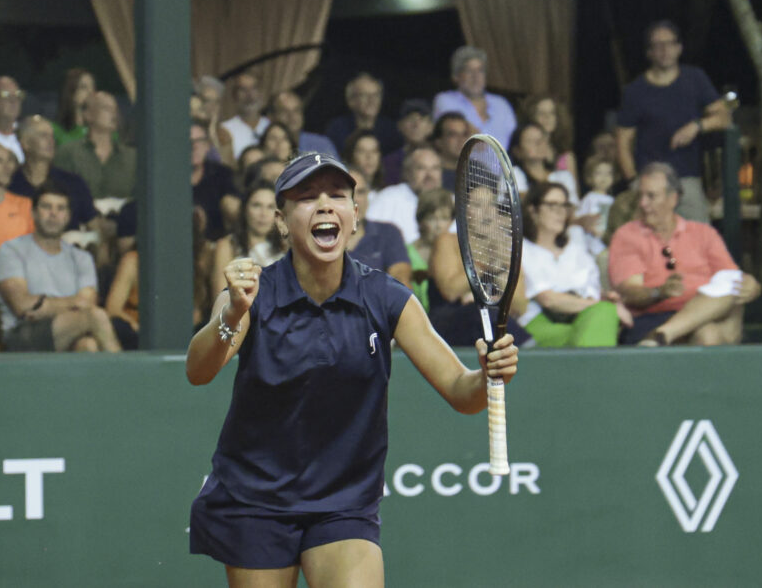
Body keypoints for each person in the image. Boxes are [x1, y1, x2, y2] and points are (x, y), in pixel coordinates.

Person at [185, 152, 518, 586]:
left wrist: (488, 375)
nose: (325, 205)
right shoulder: (252, 293)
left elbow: (461, 391)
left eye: (337, 195)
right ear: (282, 221)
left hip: (343, 502)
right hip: (255, 500)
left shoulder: (387, 298)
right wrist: (232, 316)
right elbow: (199, 370)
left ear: (354, 216)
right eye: (307, 197)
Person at [608, 162, 761, 346]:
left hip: (703, 314)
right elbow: (630, 293)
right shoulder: (628, 235)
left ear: (673, 198)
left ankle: (661, 336)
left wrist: (752, 286)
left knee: (728, 292)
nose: (643, 203)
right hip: (652, 318)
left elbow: (729, 278)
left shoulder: (703, 233)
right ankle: (662, 333)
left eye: (651, 196)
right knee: (708, 335)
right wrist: (659, 292)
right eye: (640, 196)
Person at [615, 20, 732, 223]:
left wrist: (697, 126)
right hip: (649, 179)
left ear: (679, 48)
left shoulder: (695, 79)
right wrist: (634, 182)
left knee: (698, 243)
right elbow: (622, 142)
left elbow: (724, 117)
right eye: (657, 45)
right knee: (646, 246)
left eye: (669, 44)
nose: (664, 50)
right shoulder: (635, 91)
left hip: (687, 181)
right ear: (649, 52)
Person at [0, 183, 121, 352]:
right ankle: (130, 377)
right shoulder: (11, 250)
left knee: (88, 346)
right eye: (46, 207)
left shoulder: (82, 258)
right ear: (33, 213)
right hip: (22, 335)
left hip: (68, 330)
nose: (53, 213)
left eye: (60, 208)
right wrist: (73, 303)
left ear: (68, 216)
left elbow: (87, 302)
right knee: (96, 316)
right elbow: (23, 306)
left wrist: (42, 305)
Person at [519, 182, 630, 347]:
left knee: (603, 315)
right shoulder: (521, 249)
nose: (560, 212)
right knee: (604, 314)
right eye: (552, 205)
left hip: (582, 318)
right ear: (533, 210)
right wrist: (603, 305)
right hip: (538, 322)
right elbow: (548, 299)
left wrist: (605, 302)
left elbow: (592, 293)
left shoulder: (576, 250)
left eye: (564, 205)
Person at [9, 115, 98, 230]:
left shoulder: (74, 183)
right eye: (43, 136)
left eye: (52, 136)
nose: (51, 141)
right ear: (25, 143)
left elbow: (95, 229)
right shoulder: (10, 184)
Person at [209, 181, 285, 299]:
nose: (263, 214)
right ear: (245, 209)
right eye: (256, 205)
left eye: (270, 207)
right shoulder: (227, 245)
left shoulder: (286, 245)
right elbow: (220, 298)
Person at [54, 91, 136, 200]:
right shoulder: (68, 152)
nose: (114, 114)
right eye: (106, 108)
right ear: (87, 114)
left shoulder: (132, 157)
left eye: (115, 109)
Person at [432, 46, 517, 149]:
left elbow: (516, 141)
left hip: (506, 164)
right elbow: (469, 138)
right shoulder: (445, 100)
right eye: (468, 71)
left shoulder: (501, 104)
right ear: (456, 76)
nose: (476, 76)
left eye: (480, 70)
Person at [365, 144, 443, 244]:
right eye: (421, 168)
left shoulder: (452, 200)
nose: (429, 175)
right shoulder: (388, 198)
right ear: (407, 173)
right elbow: (369, 236)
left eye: (435, 168)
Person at [347, 171, 411, 286]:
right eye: (349, 193)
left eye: (361, 192)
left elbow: (400, 280)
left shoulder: (388, 233)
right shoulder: (324, 237)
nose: (356, 200)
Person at [324, 72, 402, 155]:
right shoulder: (337, 129)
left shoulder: (391, 130)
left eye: (376, 95)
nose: (372, 100)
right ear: (351, 101)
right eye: (364, 95)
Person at [191, 119, 240, 241]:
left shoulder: (222, 174)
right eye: (188, 142)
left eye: (199, 141)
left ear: (207, 146)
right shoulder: (167, 177)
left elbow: (235, 209)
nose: (194, 147)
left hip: (216, 243)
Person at [407, 188, 453, 311]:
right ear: (420, 221)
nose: (438, 226)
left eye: (444, 218)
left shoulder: (458, 252)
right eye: (432, 219)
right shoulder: (406, 253)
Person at [509, 121, 579, 202]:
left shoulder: (564, 177)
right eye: (531, 140)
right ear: (517, 151)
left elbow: (574, 208)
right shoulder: (513, 174)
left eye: (542, 139)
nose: (539, 144)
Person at [523, 94, 577, 188]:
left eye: (552, 113)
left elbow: (573, 195)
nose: (547, 117)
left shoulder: (566, 156)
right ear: (532, 117)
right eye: (541, 113)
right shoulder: (526, 148)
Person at [219, 71, 270, 160]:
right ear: (234, 95)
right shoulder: (224, 130)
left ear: (261, 92)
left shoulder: (272, 126)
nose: (249, 95)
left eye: (254, 88)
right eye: (243, 89)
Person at [270, 90, 338, 156]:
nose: (292, 116)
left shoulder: (321, 144)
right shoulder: (269, 146)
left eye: (296, 110)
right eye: (284, 111)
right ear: (272, 116)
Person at [382, 98, 433, 186]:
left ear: (431, 126)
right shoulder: (389, 163)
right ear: (399, 126)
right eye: (410, 119)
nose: (416, 125)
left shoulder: (441, 158)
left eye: (422, 119)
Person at [577, 155, 617, 257]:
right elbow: (580, 218)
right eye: (599, 173)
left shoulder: (613, 201)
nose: (604, 178)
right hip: (592, 245)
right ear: (590, 177)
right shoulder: (589, 198)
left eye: (608, 173)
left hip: (608, 244)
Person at [52, 68, 97, 147]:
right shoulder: (56, 131)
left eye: (93, 87)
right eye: (83, 87)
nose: (91, 92)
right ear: (71, 92)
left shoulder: (103, 130)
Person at [105, 249, 139, 350]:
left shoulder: (185, 262)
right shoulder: (133, 261)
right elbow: (113, 309)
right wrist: (135, 325)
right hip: (133, 332)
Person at [430, 111, 473, 191]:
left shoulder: (477, 170)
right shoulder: (429, 174)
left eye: (464, 134)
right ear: (438, 141)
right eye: (453, 135)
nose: (461, 140)